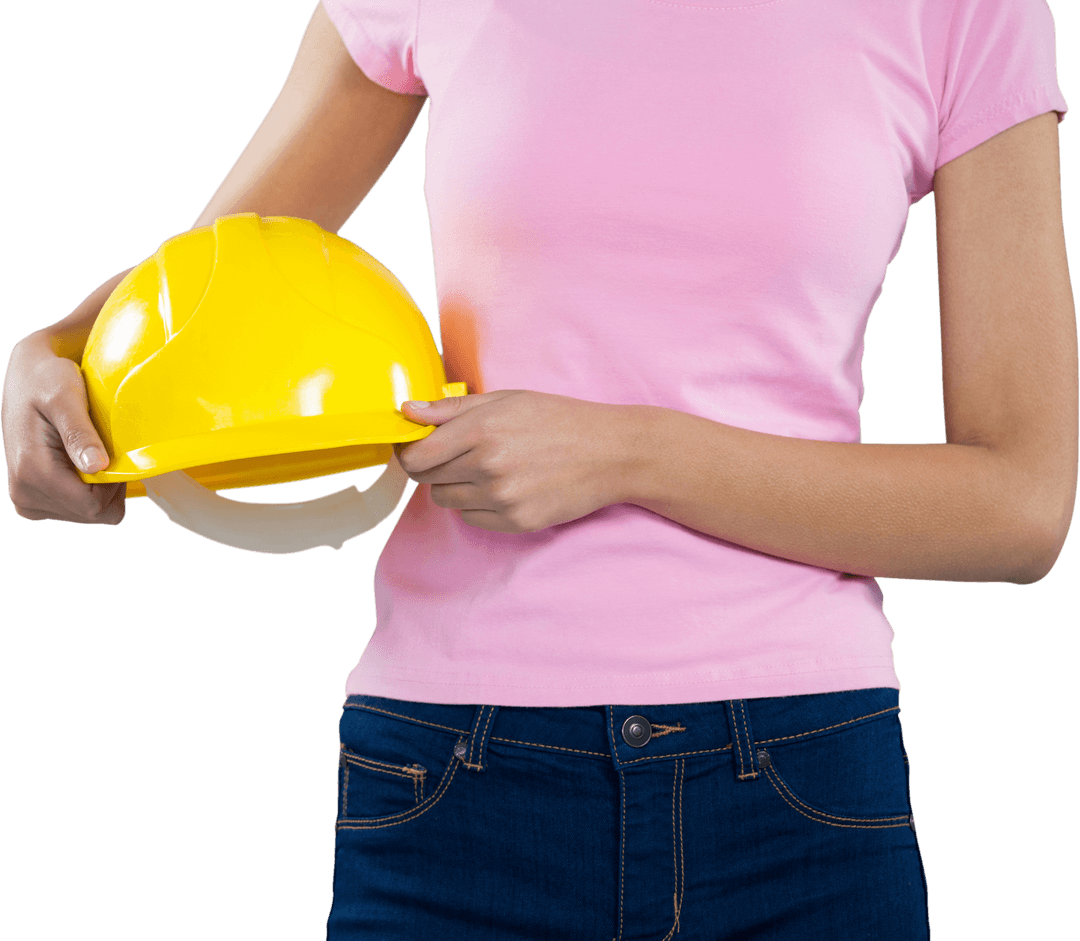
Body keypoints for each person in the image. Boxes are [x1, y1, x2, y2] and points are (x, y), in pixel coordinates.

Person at [2, 0, 1075, 937]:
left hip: (799, 781)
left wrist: (627, 451)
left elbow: (1021, 503)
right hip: (450, 777)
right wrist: (47, 359)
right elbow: (208, 304)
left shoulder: (965, 8)